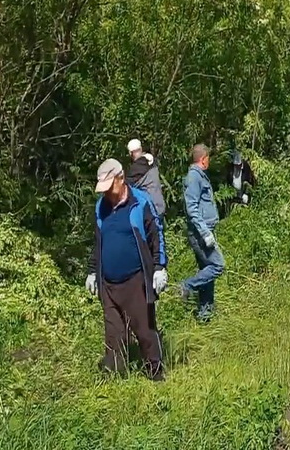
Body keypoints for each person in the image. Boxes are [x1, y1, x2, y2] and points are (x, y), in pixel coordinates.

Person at [85, 158, 167, 381]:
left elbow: (156, 235)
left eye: (110, 187)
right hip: (108, 284)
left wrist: (160, 267)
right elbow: (98, 242)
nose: (107, 193)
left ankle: (155, 373)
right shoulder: (101, 207)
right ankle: (115, 379)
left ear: (121, 179)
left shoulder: (140, 202)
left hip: (135, 281)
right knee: (114, 334)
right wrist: (93, 271)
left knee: (144, 330)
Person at [182, 144, 224, 322]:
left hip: (206, 229)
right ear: (203, 159)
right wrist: (205, 233)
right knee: (217, 266)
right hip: (200, 233)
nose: (209, 161)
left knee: (207, 270)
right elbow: (192, 208)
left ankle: (205, 313)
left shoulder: (200, 176)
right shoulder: (193, 178)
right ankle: (187, 286)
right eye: (208, 158)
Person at [125, 139, 166, 219]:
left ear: (130, 153)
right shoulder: (152, 162)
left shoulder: (136, 169)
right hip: (159, 206)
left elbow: (125, 187)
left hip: (150, 211)